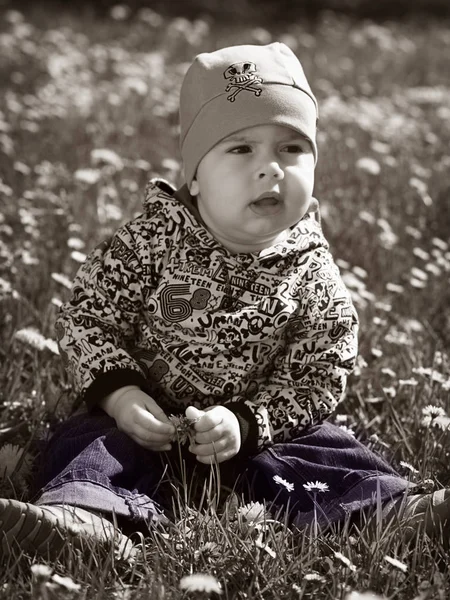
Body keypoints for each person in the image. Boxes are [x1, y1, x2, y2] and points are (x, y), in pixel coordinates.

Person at [1, 42, 448, 559]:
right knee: (91, 446)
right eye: (241, 149)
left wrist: (251, 422)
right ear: (195, 175)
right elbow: (89, 317)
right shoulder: (153, 239)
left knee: (324, 451)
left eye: (292, 149)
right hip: (143, 421)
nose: (272, 169)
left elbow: (320, 370)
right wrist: (119, 395)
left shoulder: (311, 269)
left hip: (254, 433)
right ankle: (87, 520)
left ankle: (389, 512)